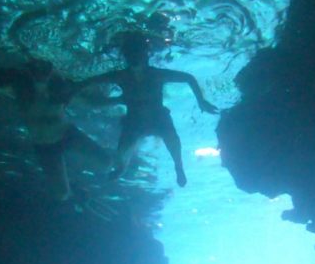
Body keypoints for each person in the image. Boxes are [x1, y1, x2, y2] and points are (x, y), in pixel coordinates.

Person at [0, 57, 112, 201]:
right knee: (62, 194)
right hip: (45, 146)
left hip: (67, 135)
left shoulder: (61, 91)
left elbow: (90, 103)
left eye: (44, 70)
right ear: (30, 73)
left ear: (51, 73)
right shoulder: (21, 91)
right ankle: (75, 186)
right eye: (37, 71)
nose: (41, 75)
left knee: (106, 163)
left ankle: (74, 173)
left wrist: (116, 101)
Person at [76, 32, 218, 187]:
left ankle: (178, 165)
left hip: (155, 117)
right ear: (127, 57)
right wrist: (73, 89)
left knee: (171, 138)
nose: (135, 59)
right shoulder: (123, 76)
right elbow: (90, 81)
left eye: (137, 55)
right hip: (136, 120)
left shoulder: (152, 75)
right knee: (124, 149)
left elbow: (188, 78)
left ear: (145, 56)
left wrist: (201, 101)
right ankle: (123, 167)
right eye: (131, 55)